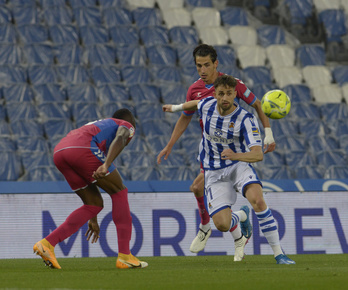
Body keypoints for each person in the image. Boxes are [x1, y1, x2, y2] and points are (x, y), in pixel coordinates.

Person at [162, 75, 295, 264]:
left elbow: (258, 155)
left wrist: (235, 156)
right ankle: (240, 216)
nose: (225, 98)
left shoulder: (246, 119)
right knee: (223, 225)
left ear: (235, 95)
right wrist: (175, 108)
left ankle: (279, 253)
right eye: (221, 93)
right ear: (215, 94)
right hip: (214, 172)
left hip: (238, 166)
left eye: (229, 94)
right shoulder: (207, 104)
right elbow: (194, 104)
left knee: (257, 200)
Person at [157, 44, 276, 253]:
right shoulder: (194, 89)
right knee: (196, 188)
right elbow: (185, 117)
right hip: (210, 150)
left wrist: (268, 134)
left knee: (198, 188)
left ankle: (207, 227)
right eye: (198, 66)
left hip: (233, 152)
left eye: (206, 65)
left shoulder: (232, 85)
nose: (202, 70)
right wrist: (169, 145)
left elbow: (257, 104)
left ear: (216, 64)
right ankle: (232, 221)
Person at [33, 108, 148, 269]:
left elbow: (90, 171)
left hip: (60, 152)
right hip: (82, 148)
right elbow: (121, 137)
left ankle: (47, 244)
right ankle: (124, 256)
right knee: (119, 192)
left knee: (93, 204)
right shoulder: (126, 125)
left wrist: (93, 216)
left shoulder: (100, 126)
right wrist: (106, 164)